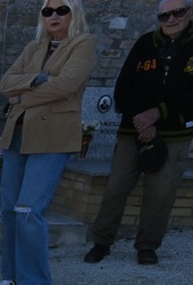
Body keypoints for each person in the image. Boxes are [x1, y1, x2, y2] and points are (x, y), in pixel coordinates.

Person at [0, 0, 95, 285]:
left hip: (52, 137)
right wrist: (35, 80)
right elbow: (5, 83)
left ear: (74, 13)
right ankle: (12, 274)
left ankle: (38, 280)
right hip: (19, 135)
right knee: (9, 208)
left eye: (61, 10)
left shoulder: (83, 44)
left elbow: (64, 86)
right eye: (48, 11)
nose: (53, 16)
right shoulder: (34, 46)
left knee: (29, 209)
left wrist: (22, 98)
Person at [83, 0, 193, 267]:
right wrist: (142, 120)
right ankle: (101, 242)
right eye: (164, 15)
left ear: (190, 12)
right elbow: (123, 87)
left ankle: (147, 245)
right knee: (116, 187)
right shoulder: (145, 43)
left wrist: (159, 113)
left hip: (174, 134)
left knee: (161, 192)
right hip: (133, 130)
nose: (170, 19)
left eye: (177, 12)